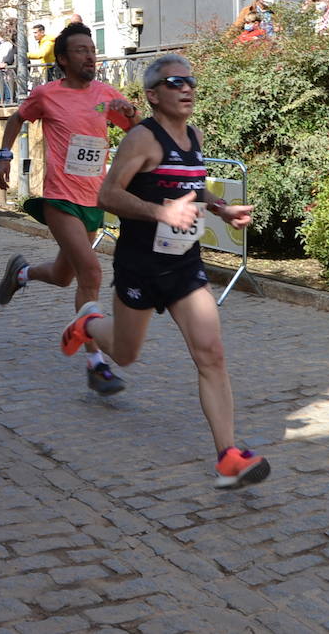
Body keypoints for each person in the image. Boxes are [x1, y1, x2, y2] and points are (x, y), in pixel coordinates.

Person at [61, 53, 269, 489]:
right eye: (175, 83)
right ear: (153, 95)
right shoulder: (141, 139)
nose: (187, 88)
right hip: (141, 266)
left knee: (211, 353)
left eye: (190, 81)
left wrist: (220, 208)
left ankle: (228, 455)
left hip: (185, 266)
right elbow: (107, 195)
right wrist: (160, 212)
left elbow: (192, 186)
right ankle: (88, 321)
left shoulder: (194, 134)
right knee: (125, 353)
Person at [0, 20, 138, 396]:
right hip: (59, 198)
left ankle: (21, 273)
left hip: (94, 199)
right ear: (62, 59)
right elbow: (16, 119)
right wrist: (4, 155)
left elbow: (135, 131)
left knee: (64, 276)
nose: (90, 56)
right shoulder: (47, 94)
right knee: (91, 272)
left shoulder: (106, 93)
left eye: (92, 50)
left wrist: (132, 114)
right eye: (81, 51)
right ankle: (95, 364)